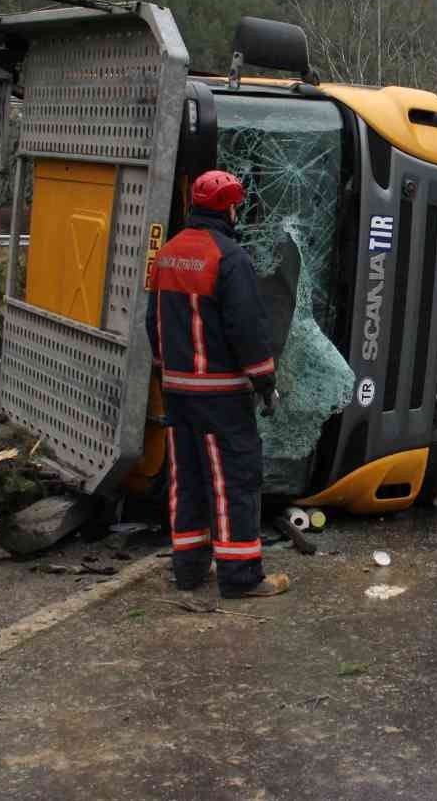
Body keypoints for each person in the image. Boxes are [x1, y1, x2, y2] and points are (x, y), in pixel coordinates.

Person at [145, 170, 290, 599]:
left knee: (186, 478)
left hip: (177, 391)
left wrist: (166, 368)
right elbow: (246, 326)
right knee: (233, 480)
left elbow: (152, 322)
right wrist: (264, 379)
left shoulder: (168, 255)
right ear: (229, 208)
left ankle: (188, 569)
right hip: (221, 396)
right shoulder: (229, 258)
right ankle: (241, 575)